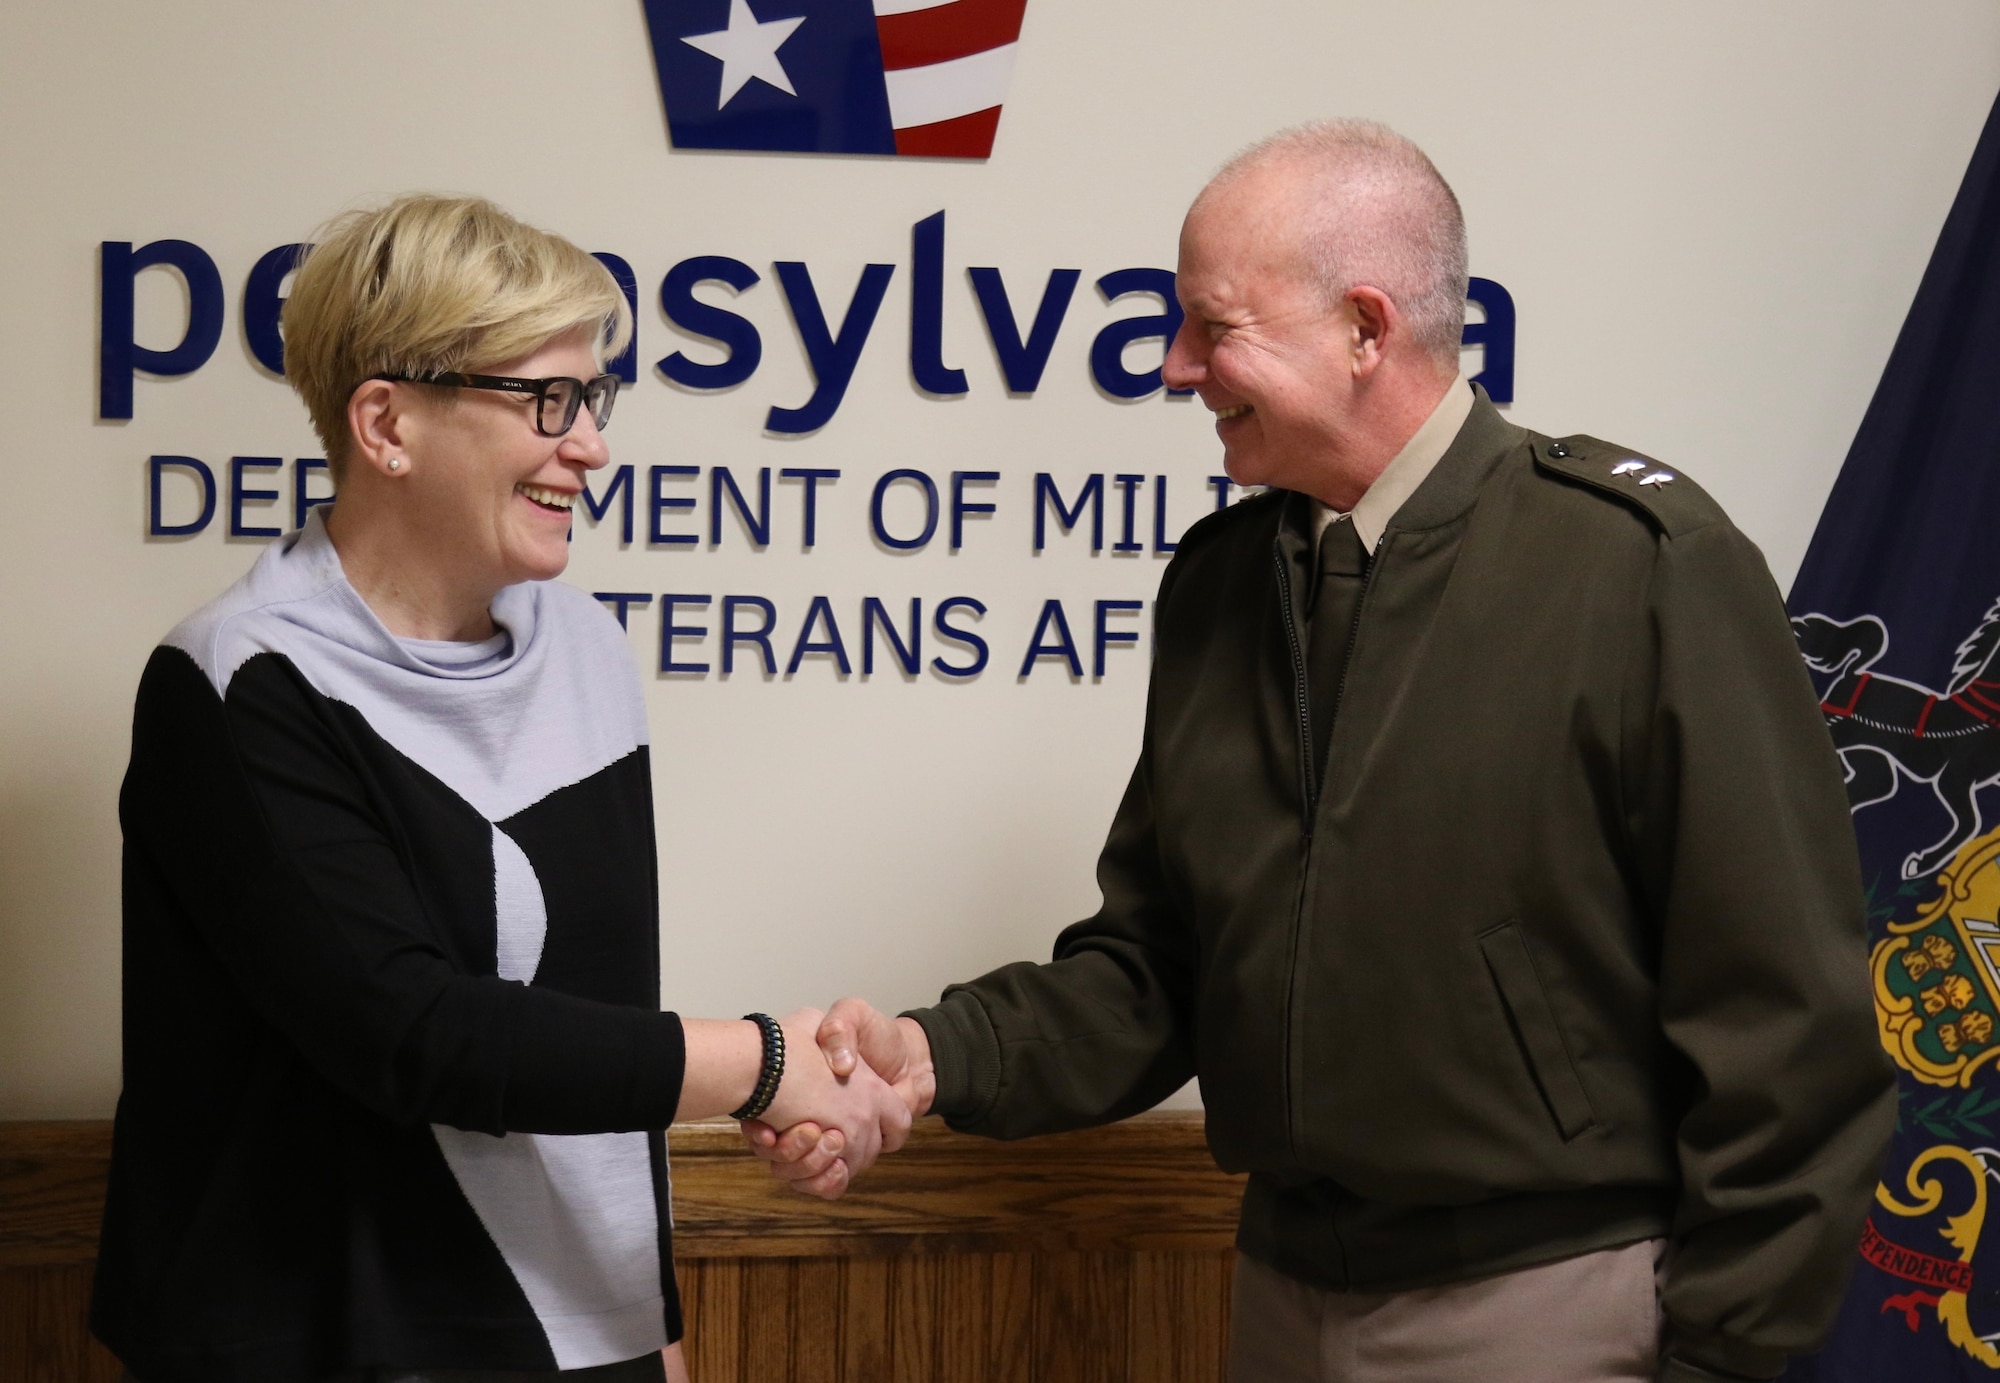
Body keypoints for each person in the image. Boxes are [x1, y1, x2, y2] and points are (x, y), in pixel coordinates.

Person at [753, 121, 1896, 1382]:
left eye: (1212, 326)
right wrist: (930, 1055)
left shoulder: (1637, 569)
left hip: (1550, 1311)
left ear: (1364, 329)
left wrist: (1724, 1359)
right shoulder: (1219, 584)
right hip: (1280, 1298)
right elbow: (1159, 971)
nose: (1177, 367)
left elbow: (1788, 1028)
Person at [92, 195, 909, 1383]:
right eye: (546, 401)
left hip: (579, 1340)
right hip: (327, 1344)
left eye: (593, 400)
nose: (590, 445)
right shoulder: (233, 685)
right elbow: (418, 1036)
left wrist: (653, 1333)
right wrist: (767, 1065)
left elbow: (592, 1009)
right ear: (385, 424)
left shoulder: (580, 648)